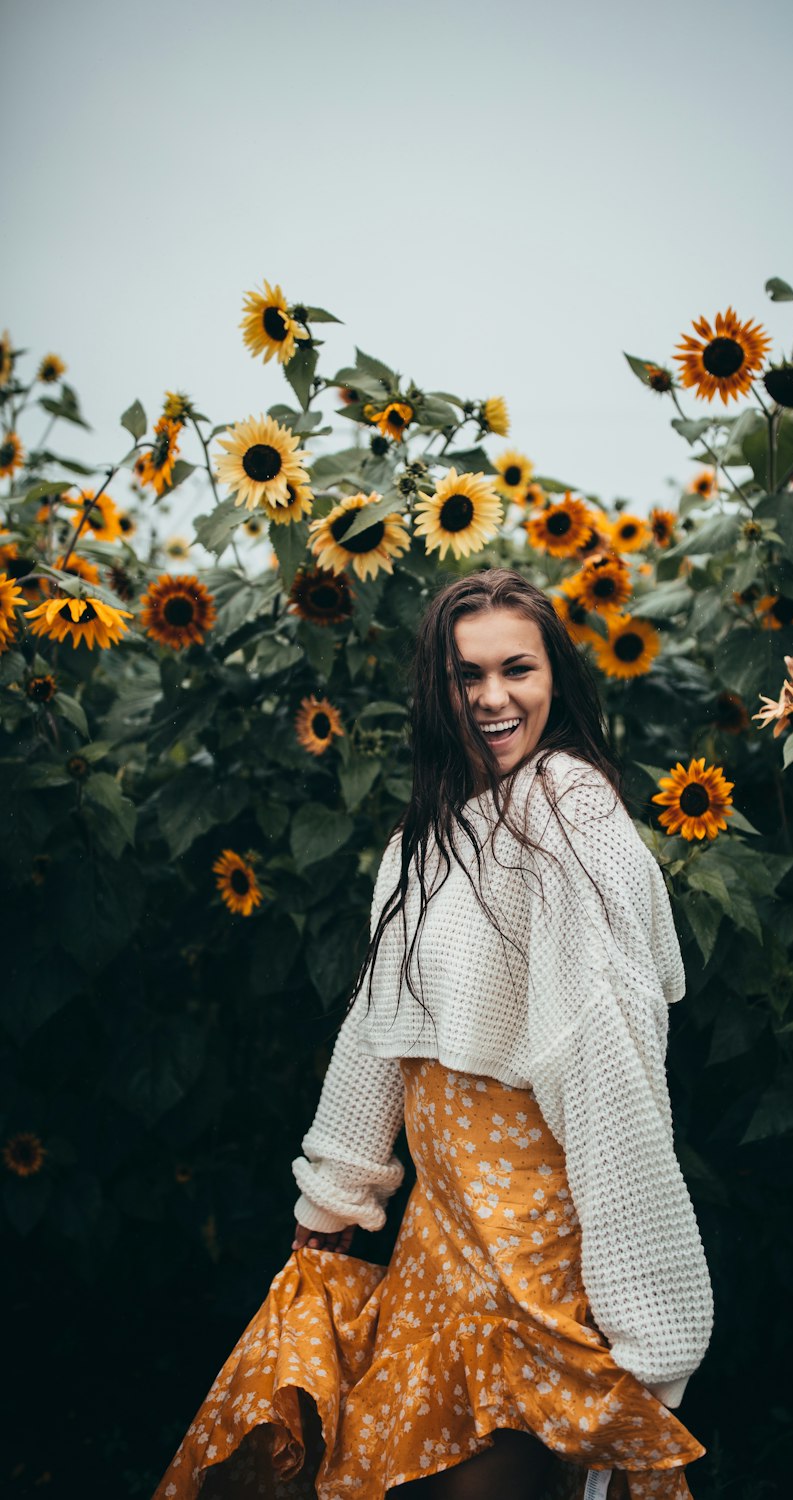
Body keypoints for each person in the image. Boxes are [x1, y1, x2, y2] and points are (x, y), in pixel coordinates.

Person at [153, 567, 714, 1500]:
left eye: (517, 670)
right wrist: (331, 1197)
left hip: (535, 1239)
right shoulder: (430, 836)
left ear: (556, 681)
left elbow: (607, 1060)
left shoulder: (570, 811)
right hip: (444, 1233)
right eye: (467, 675)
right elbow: (382, 1030)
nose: (493, 698)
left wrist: (649, 1316)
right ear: (437, 689)